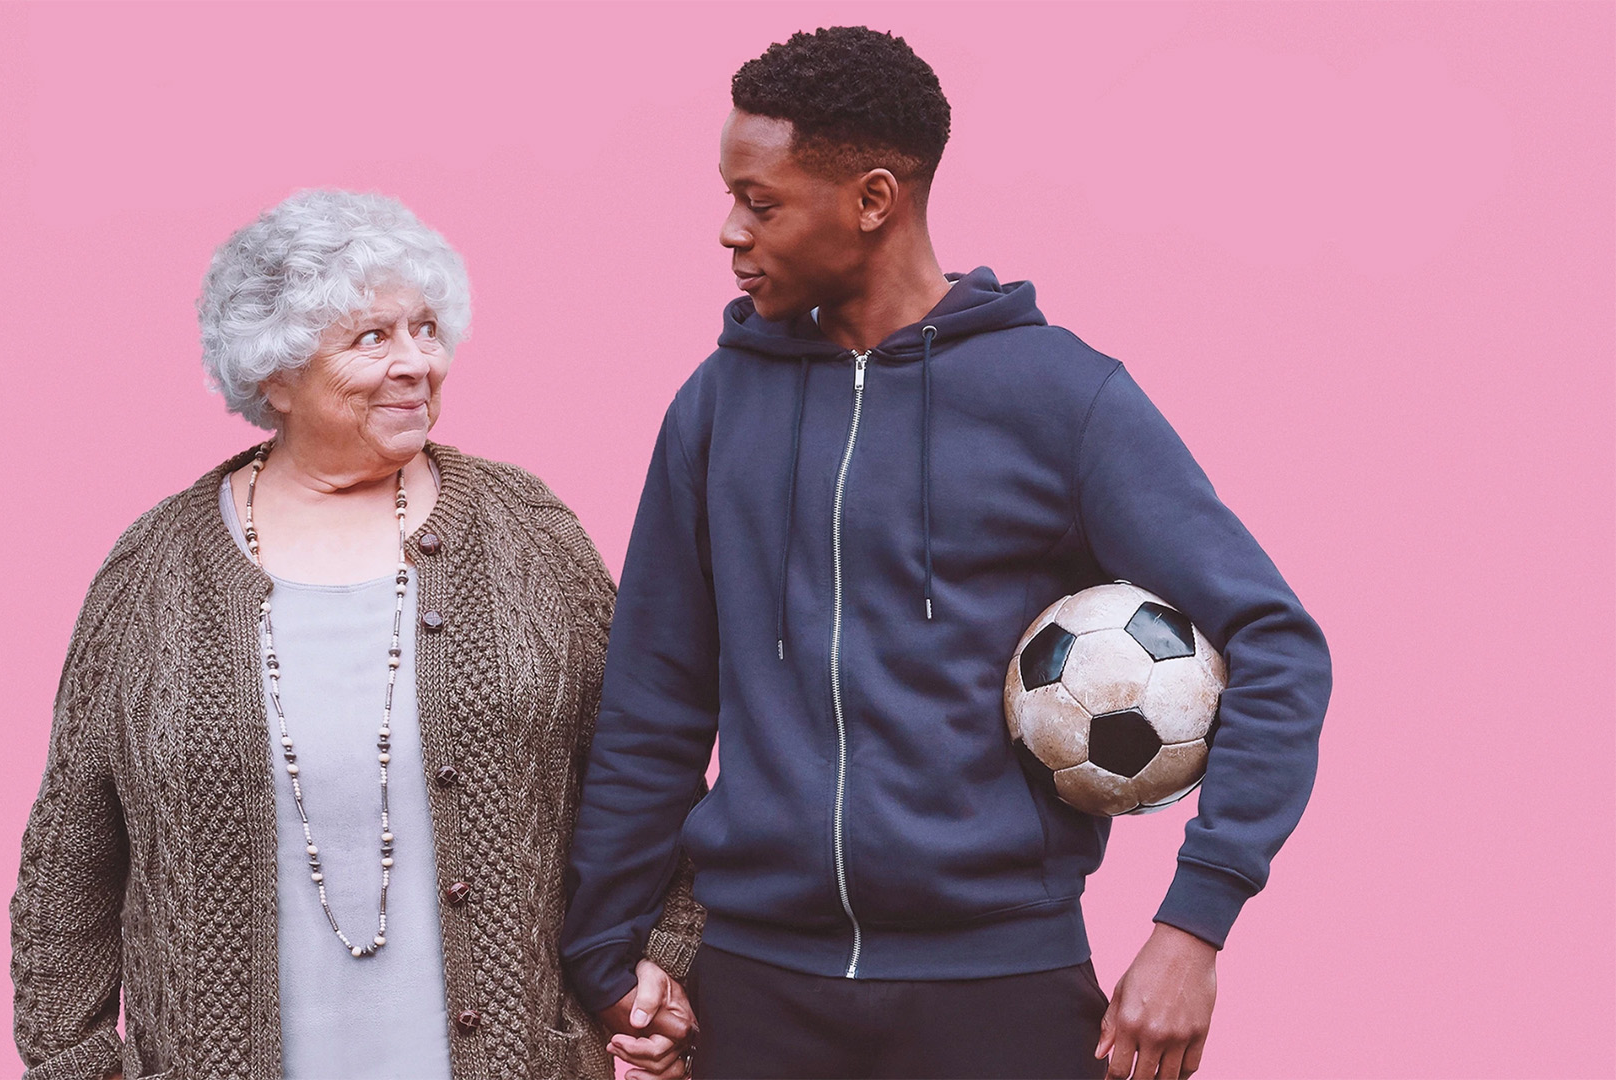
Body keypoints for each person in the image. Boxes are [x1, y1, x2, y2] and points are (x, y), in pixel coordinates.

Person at [560, 27, 1330, 1080]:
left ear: (874, 199)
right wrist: (608, 951)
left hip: (999, 987)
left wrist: (1194, 924)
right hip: (755, 990)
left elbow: (1275, 644)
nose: (731, 232)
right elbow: (655, 697)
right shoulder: (715, 405)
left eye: (763, 202)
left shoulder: (1059, 398)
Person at [10, 189, 701, 1080]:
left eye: (425, 328)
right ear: (276, 373)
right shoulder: (155, 569)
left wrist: (663, 953)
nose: (417, 361)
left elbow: (639, 765)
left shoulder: (525, 531)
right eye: (372, 339)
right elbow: (70, 856)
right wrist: (72, 1067)